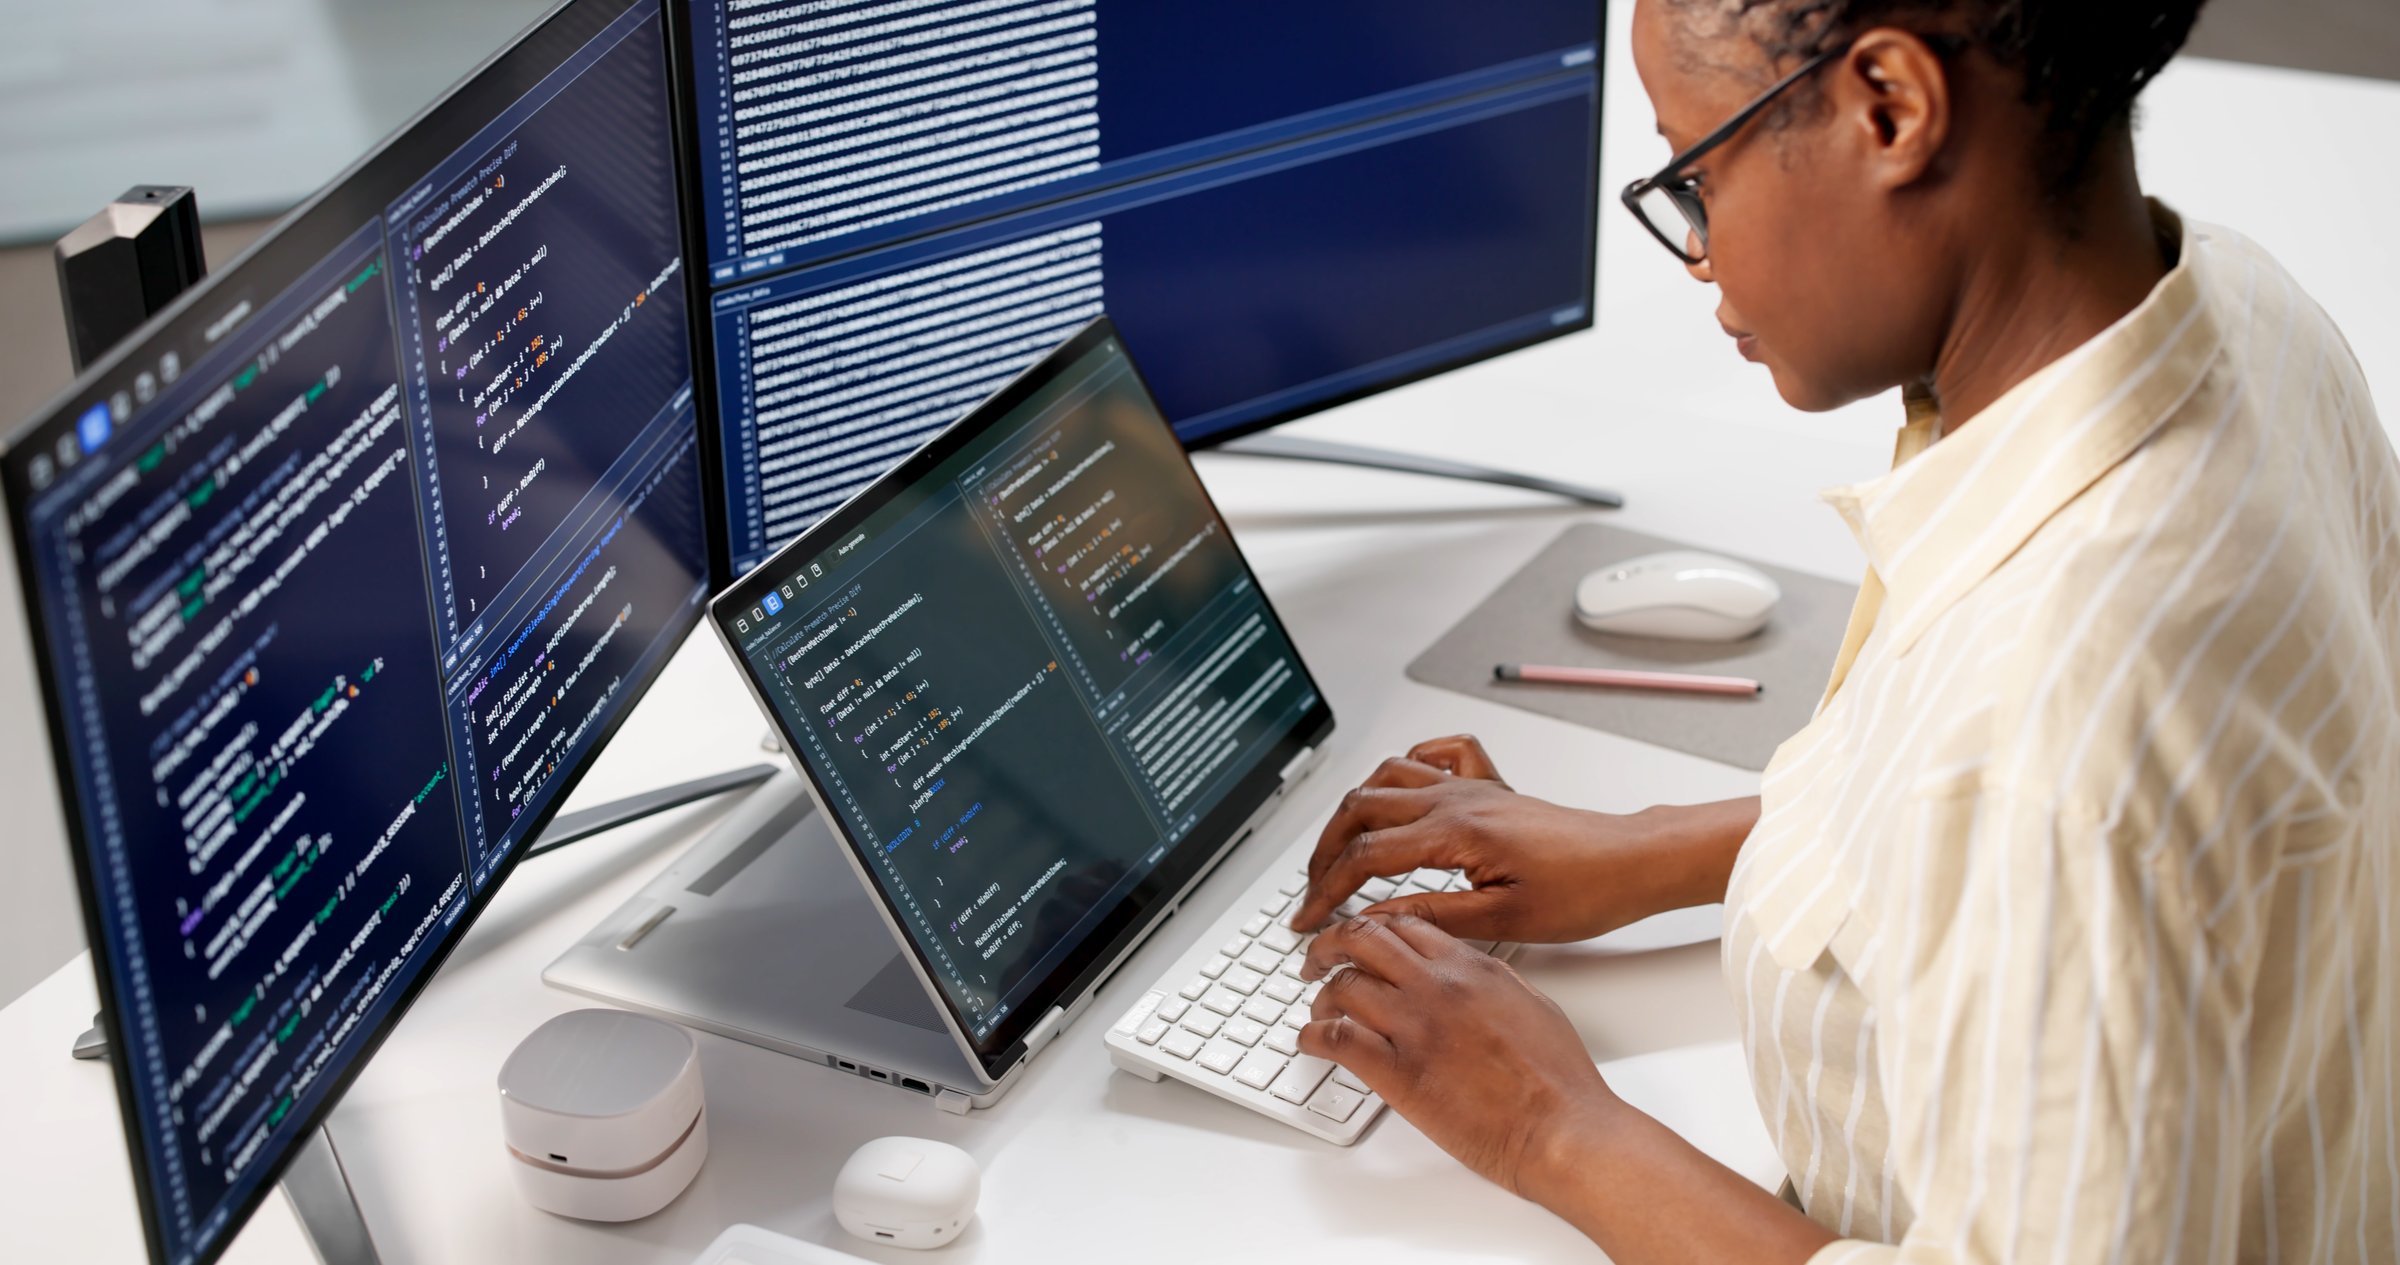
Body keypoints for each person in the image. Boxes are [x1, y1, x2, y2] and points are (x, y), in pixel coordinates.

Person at [1287, 0, 2400, 1260]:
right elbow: (1983, 812)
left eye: (1699, 179)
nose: (1697, 256)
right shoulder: (2241, 307)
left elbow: (2038, 795)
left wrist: (1552, 1123)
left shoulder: (2065, 720)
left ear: (1891, 110)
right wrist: (1649, 848)